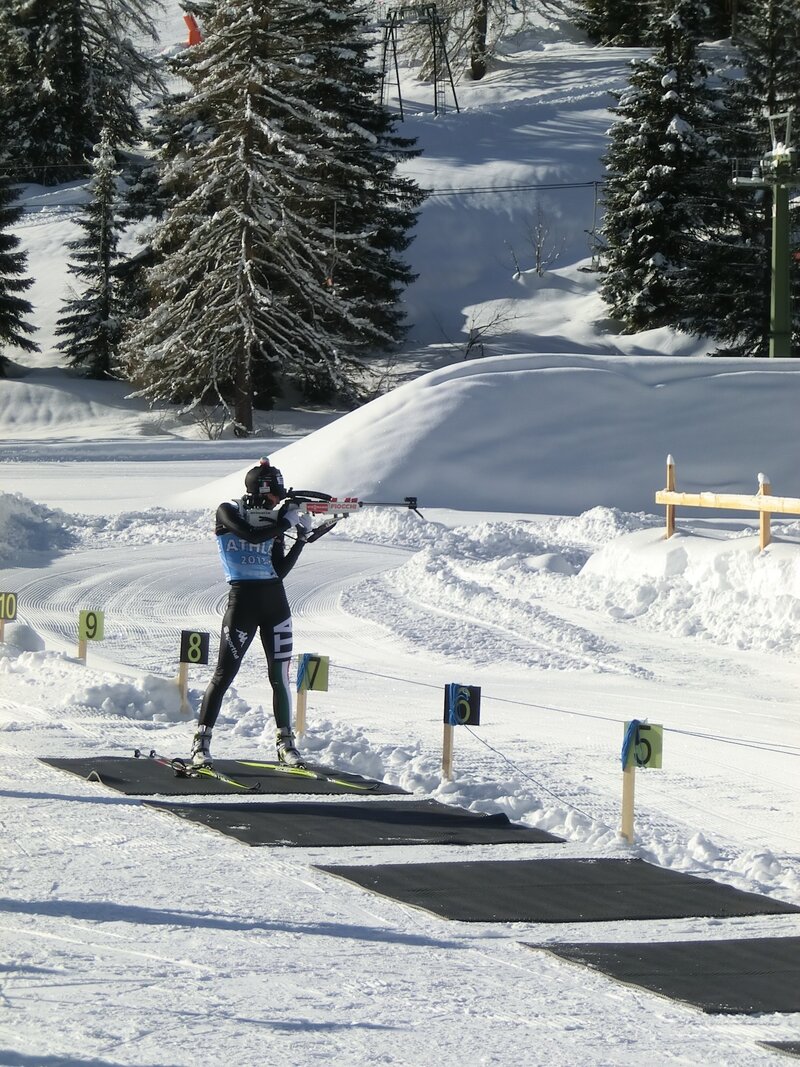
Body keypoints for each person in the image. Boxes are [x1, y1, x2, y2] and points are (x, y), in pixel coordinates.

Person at [190, 458, 314, 769]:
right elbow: (251, 536)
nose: (278, 501)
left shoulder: (272, 521)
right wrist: (285, 522)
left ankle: (286, 744)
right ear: (261, 491)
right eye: (275, 495)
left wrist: (299, 539)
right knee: (224, 674)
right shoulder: (227, 511)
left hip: (275, 604)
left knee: (280, 677)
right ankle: (201, 743)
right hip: (241, 602)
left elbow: (278, 570)